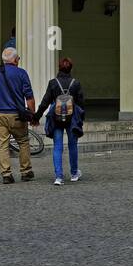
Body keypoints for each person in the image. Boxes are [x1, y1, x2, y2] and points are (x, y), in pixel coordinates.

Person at [0, 47, 37, 184]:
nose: (19, 60)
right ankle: (25, 172)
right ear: (14, 60)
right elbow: (29, 97)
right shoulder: (21, 73)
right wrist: (33, 115)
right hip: (17, 115)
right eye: (18, 58)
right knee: (23, 141)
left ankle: (6, 174)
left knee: (2, 144)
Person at [37, 57, 86, 186]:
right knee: (72, 145)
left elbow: (44, 102)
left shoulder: (53, 83)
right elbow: (81, 104)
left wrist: (36, 117)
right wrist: (81, 119)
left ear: (59, 68)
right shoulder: (76, 83)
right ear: (71, 68)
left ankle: (59, 177)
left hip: (56, 117)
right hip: (72, 118)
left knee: (57, 146)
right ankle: (74, 173)